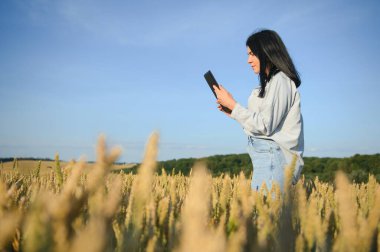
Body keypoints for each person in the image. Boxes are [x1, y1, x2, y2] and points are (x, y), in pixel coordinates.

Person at [213, 29, 304, 192]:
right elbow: (262, 124)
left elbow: (265, 125)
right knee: (262, 213)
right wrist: (233, 113)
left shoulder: (280, 81)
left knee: (265, 214)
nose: (248, 60)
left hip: (273, 158)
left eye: (252, 54)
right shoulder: (270, 84)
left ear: (266, 52)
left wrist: (234, 106)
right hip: (267, 158)